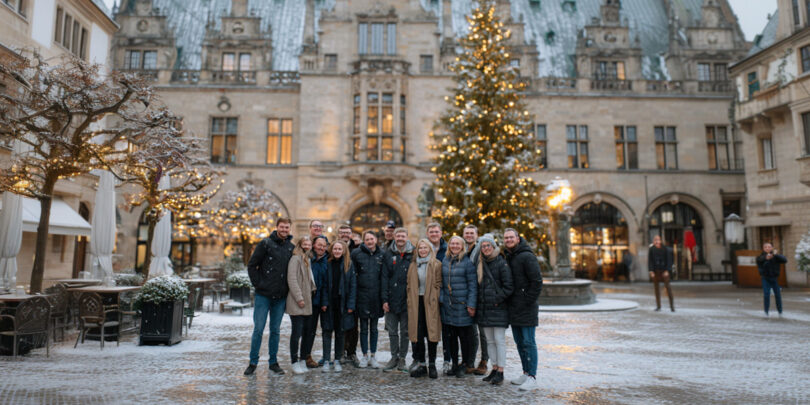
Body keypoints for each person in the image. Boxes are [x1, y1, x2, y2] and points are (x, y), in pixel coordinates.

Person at [244, 218, 295, 376]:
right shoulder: (265, 243)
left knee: (275, 331)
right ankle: (253, 362)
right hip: (263, 295)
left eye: (287, 227)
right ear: (277, 227)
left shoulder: (291, 247)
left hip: (280, 296)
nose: (284, 229)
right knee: (258, 329)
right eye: (282, 227)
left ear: (289, 228)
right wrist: (258, 284)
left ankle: (273, 362)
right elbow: (252, 265)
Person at [504, 228, 542, 391]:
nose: (508, 240)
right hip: (513, 308)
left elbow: (537, 281)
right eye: (506, 238)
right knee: (519, 343)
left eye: (511, 237)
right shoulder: (508, 256)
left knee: (528, 342)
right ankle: (525, 373)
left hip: (526, 308)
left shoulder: (527, 256)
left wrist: (527, 300)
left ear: (518, 239)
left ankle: (532, 376)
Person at [475, 234, 514, 385]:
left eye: (488, 246)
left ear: (493, 247)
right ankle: (494, 368)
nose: (485, 248)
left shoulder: (500, 262)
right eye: (483, 246)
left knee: (499, 341)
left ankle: (501, 371)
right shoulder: (480, 263)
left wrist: (497, 300)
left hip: (498, 308)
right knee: (490, 341)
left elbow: (508, 286)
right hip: (485, 308)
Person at [439, 236, 477, 378]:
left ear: (462, 246)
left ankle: (464, 364)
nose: (454, 246)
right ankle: (454, 363)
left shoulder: (467, 262)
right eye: (452, 243)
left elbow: (473, 285)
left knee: (464, 337)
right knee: (451, 337)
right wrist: (442, 298)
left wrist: (471, 304)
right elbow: (442, 283)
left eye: (457, 244)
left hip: (462, 306)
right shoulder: (445, 260)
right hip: (448, 306)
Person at [407, 239, 442, 379]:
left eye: (425, 248)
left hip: (431, 302)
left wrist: (435, 297)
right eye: (420, 248)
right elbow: (409, 285)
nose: (422, 250)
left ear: (429, 249)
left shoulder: (436, 264)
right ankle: (422, 364)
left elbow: (439, 284)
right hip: (416, 302)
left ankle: (432, 364)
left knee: (431, 333)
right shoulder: (413, 265)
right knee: (418, 334)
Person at [321, 240, 357, 372]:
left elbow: (353, 286)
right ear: (331, 250)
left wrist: (351, 305)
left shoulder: (348, 265)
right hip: (329, 303)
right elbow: (324, 285)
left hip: (343, 304)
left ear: (343, 251)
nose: (337, 251)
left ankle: (337, 359)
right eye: (335, 249)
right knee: (326, 332)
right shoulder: (327, 264)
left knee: (340, 333)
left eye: (339, 249)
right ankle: (326, 360)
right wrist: (324, 302)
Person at [381, 227, 413, 373]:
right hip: (392, 298)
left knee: (405, 331)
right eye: (398, 236)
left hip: (408, 299)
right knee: (392, 331)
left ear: (407, 237)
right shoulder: (388, 254)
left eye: (403, 236)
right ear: (394, 237)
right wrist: (384, 299)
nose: (400, 238)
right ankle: (393, 357)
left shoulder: (413, 253)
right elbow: (384, 277)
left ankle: (402, 358)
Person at [351, 230, 385, 368]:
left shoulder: (382, 254)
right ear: (364, 241)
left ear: (376, 240)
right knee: (364, 328)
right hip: (362, 296)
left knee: (374, 328)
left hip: (376, 297)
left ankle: (373, 356)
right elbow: (353, 276)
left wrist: (384, 298)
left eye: (372, 239)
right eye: (367, 239)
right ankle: (364, 355)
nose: (370, 242)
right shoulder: (356, 254)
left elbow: (384, 277)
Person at [285, 236, 315, 374]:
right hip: (298, 301)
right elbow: (291, 279)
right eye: (305, 243)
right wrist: (299, 298)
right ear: (300, 244)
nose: (308, 245)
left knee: (307, 332)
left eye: (309, 243)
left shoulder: (307, 259)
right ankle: (294, 361)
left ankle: (303, 359)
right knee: (296, 333)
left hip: (308, 300)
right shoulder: (295, 258)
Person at [463, 225, 488, 376]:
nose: (469, 235)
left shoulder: (481, 250)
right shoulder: (462, 249)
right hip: (467, 294)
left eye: (472, 233)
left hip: (481, 294)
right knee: (471, 332)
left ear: (477, 235)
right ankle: (469, 360)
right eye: (467, 233)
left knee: (483, 331)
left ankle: (484, 360)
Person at [425, 222, 450, 373]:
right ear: (427, 234)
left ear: (441, 233)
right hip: (428, 296)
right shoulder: (422, 248)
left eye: (436, 232)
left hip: (445, 295)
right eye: (431, 232)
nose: (434, 234)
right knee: (429, 329)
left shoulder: (447, 249)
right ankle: (428, 360)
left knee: (447, 330)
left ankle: (447, 360)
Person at [302, 236, 329, 369]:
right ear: (313, 245)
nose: (321, 248)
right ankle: (301, 356)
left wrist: (324, 302)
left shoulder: (327, 261)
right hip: (305, 299)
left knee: (312, 330)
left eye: (324, 246)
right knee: (303, 329)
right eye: (319, 245)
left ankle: (307, 356)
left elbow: (326, 284)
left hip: (318, 302)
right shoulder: (307, 258)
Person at [338, 224, 360, 366]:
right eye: (342, 233)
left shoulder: (357, 249)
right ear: (338, 234)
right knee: (339, 325)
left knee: (353, 326)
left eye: (347, 232)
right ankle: (340, 352)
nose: (345, 235)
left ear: (351, 234)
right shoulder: (334, 247)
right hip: (339, 293)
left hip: (354, 291)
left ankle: (351, 352)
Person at [756, 242, 787, 316]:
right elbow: (760, 260)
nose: (767, 248)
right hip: (765, 278)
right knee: (766, 294)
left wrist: (775, 255)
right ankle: (766, 311)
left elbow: (784, 260)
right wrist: (766, 258)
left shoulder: (776, 256)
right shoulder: (760, 257)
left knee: (778, 295)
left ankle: (780, 311)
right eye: (766, 247)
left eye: (769, 247)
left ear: (772, 248)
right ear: (763, 249)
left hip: (774, 278)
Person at [648, 235, 675, 312]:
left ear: (660, 241)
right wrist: (651, 271)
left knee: (668, 288)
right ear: (653, 241)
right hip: (656, 271)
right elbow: (650, 261)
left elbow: (669, 260)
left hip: (664, 271)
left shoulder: (665, 249)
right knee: (656, 290)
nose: (657, 241)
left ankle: (672, 306)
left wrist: (667, 270)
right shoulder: (651, 249)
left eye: (658, 240)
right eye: (655, 240)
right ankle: (658, 306)